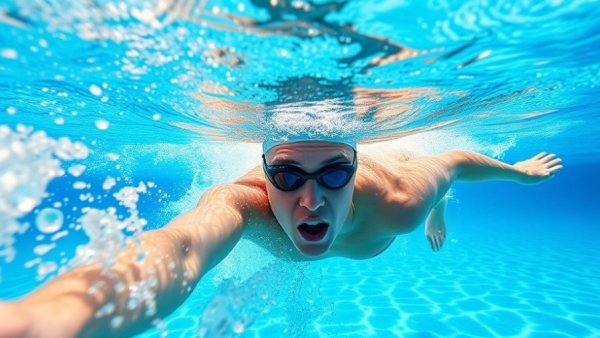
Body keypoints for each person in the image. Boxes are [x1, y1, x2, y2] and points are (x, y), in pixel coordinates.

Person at [0, 138, 562, 337]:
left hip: (414, 181)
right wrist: (52, 318)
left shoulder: (399, 201)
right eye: (288, 177)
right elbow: (183, 245)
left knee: (432, 202)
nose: (311, 202)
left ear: (354, 171)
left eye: (334, 175)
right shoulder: (243, 203)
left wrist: (518, 173)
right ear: (265, 175)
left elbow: (457, 161)